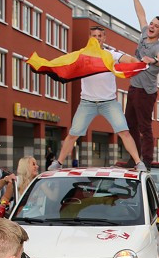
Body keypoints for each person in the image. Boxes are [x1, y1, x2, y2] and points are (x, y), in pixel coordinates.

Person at [51, 23, 148, 172]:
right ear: (90, 38)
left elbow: (128, 60)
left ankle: (138, 162)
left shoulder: (111, 55)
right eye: (94, 36)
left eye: (100, 36)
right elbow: (65, 62)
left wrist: (139, 63)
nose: (97, 39)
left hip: (109, 102)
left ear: (104, 38)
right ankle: (58, 162)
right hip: (87, 102)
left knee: (124, 131)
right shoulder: (82, 55)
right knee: (73, 134)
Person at [123, 0, 159, 168]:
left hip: (146, 92)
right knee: (129, 124)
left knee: (144, 126)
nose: (151, 26)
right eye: (151, 24)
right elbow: (140, 14)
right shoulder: (143, 34)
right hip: (134, 87)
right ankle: (134, 157)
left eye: (156, 26)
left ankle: (147, 159)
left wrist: (154, 61)